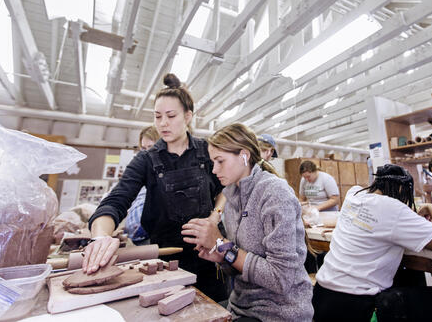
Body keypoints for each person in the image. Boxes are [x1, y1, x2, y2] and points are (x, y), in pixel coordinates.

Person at [83, 73, 227, 301]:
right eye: (157, 116)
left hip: (211, 255)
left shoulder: (207, 151)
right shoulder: (146, 160)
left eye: (171, 115)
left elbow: (225, 190)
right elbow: (115, 201)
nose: (162, 123)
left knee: (216, 308)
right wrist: (100, 239)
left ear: (188, 116)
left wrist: (214, 218)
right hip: (166, 261)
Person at [182, 123, 313, 322]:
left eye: (220, 161)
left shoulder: (274, 193)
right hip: (242, 306)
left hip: (278, 312)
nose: (215, 170)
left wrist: (222, 246)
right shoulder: (232, 196)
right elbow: (239, 262)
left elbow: (281, 278)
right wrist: (220, 257)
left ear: (244, 155)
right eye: (212, 162)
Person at [312, 164, 432, 322]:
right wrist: (431, 207)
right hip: (356, 307)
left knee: (408, 280)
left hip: (321, 298)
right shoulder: (393, 207)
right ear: (402, 190)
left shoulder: (354, 193)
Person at [125, 125, 159, 245]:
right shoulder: (140, 173)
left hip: (153, 239)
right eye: (143, 148)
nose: (146, 153)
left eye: (151, 147)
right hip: (134, 238)